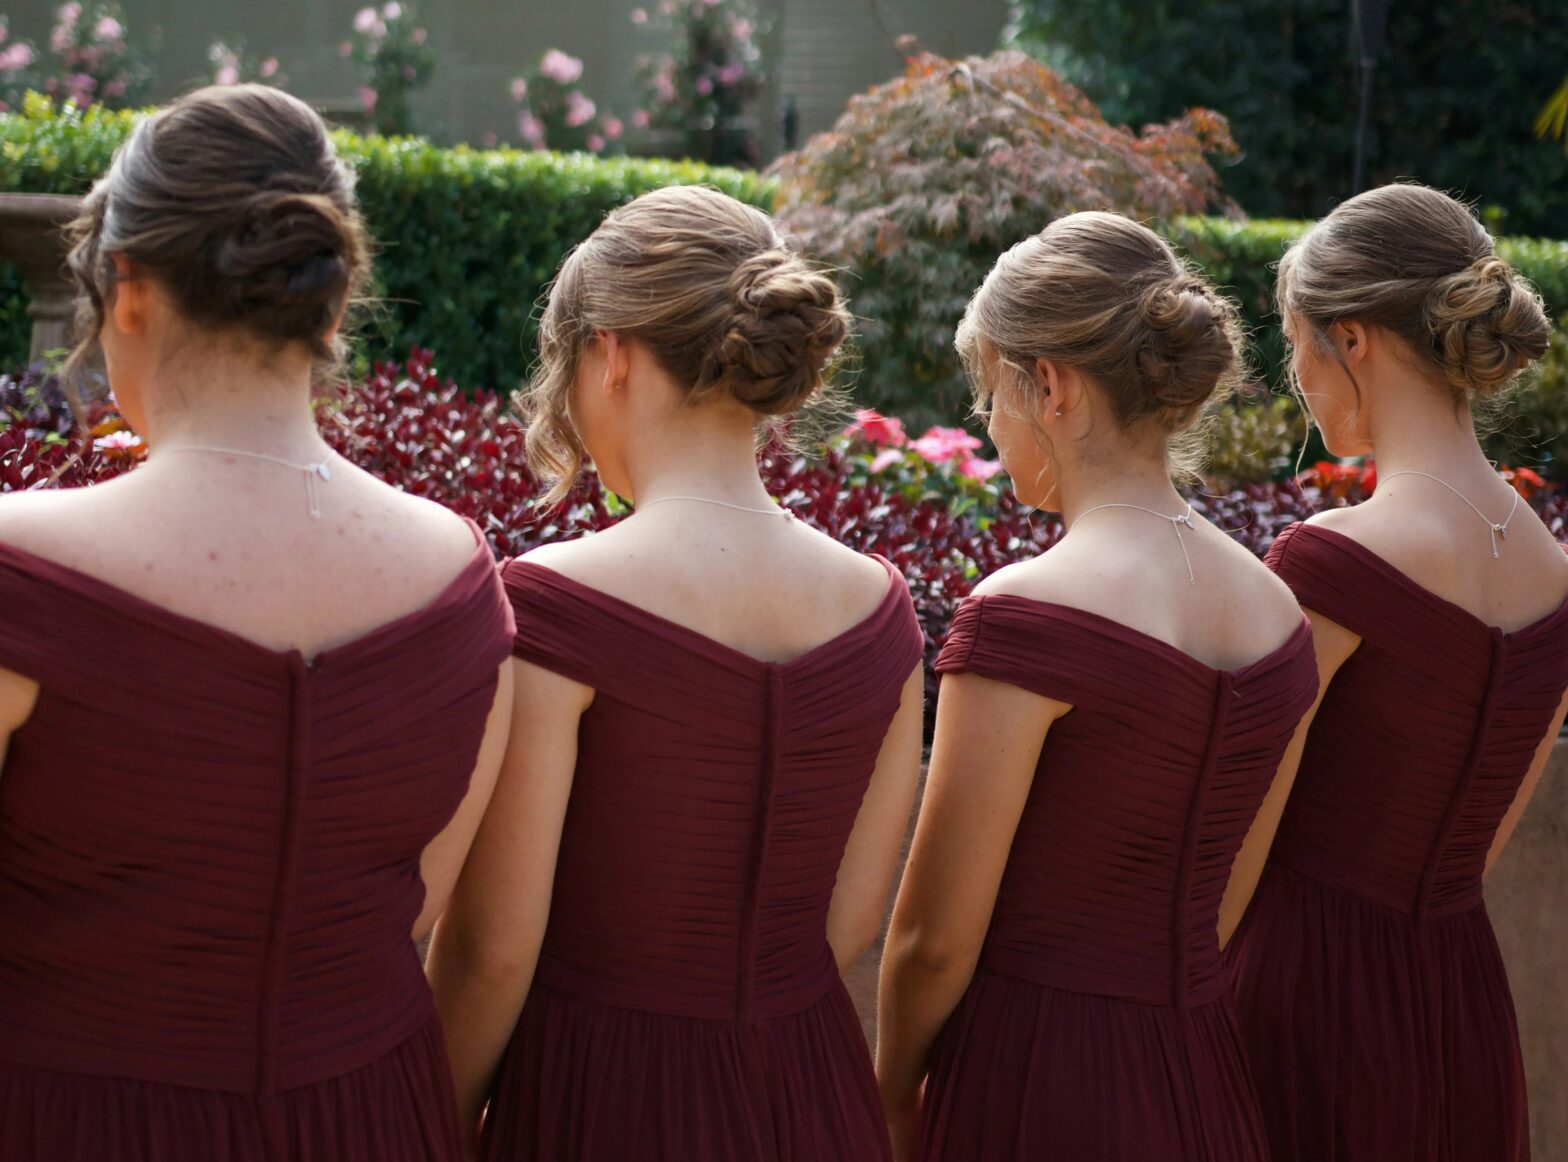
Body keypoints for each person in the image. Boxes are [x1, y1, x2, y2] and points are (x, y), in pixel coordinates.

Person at [0, 85, 513, 1161]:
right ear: (333, 299)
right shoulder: (462, 579)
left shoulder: (21, 570)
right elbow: (422, 903)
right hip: (369, 1117)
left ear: (126, 290)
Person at [426, 185, 926, 1162]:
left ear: (609, 353)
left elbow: (491, 951)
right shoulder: (881, 608)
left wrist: (432, 1124)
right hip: (807, 1095)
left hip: (599, 1099)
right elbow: (851, 917)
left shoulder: (556, 603)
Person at [876, 211, 1321, 1162]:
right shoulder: (1278, 615)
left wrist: (890, 1097)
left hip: (1032, 1081)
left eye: (989, 389)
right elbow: (1225, 906)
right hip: (1203, 1081)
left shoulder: (1023, 615)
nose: (988, 423)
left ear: (1053, 387)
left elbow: (932, 943)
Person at [1226, 182, 1568, 1162]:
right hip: (1461, 1004)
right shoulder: (1551, 573)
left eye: (1295, 342)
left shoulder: (1332, 563)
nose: (1294, 374)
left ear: (1353, 338)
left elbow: (1230, 840)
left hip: (1301, 1002)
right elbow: (1483, 844)